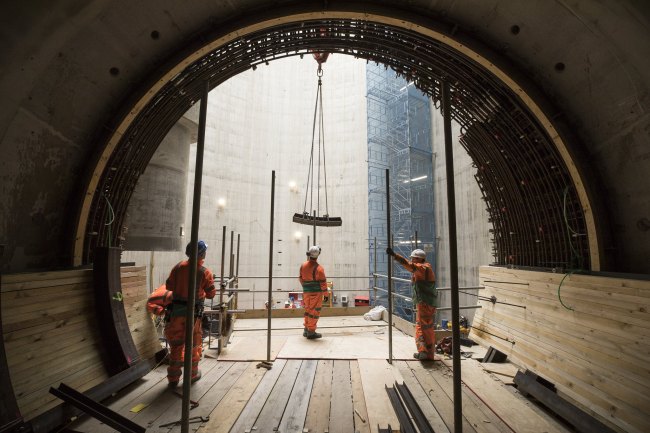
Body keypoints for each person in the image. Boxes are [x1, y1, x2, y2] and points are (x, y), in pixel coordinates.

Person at [164, 240, 216, 387]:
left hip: (176, 314)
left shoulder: (178, 267)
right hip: (193, 315)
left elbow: (169, 286)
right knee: (193, 345)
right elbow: (211, 294)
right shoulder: (204, 272)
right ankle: (192, 375)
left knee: (176, 344)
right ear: (201, 253)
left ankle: (173, 379)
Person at [386, 247, 437, 360]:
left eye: (413, 259)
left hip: (424, 303)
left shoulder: (422, 268)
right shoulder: (426, 268)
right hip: (429, 303)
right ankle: (429, 354)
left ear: (418, 259)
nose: (412, 261)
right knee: (427, 327)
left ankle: (423, 351)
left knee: (420, 326)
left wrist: (395, 255)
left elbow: (408, 265)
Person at [299, 245, 327, 339]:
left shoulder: (303, 265)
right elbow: (323, 283)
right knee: (314, 312)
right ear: (318, 254)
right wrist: (326, 294)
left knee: (307, 310)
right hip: (316, 293)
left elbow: (300, 278)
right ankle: (311, 332)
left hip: (306, 293)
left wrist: (306, 287)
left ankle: (306, 329)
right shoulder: (319, 269)